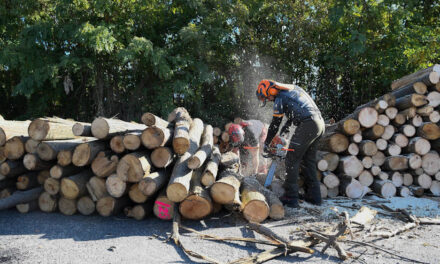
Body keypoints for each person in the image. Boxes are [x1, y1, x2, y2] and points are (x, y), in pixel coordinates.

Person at [256, 79, 325, 208]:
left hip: (308, 124)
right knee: (308, 160)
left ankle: (290, 196)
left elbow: (275, 123)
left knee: (291, 159)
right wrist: (282, 136)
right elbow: (289, 122)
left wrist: (266, 143)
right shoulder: (293, 91)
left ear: (271, 90)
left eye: (267, 96)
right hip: (319, 123)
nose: (269, 100)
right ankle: (315, 196)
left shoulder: (279, 98)